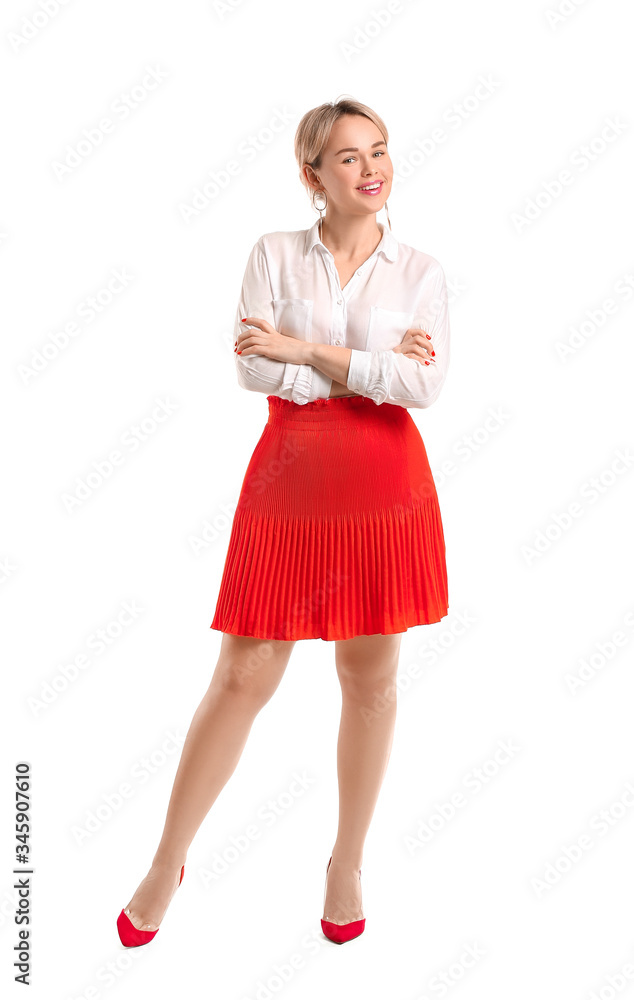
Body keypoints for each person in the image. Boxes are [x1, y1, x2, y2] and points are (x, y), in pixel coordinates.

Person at [116, 96, 450, 949]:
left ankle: (346, 862)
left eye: (379, 151)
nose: (372, 169)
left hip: (385, 489)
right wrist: (361, 370)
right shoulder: (272, 254)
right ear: (312, 176)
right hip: (289, 480)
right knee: (242, 676)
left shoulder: (420, 272)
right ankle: (166, 859)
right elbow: (250, 370)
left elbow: (422, 388)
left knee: (369, 681)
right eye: (348, 157)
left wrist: (306, 352)